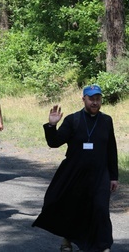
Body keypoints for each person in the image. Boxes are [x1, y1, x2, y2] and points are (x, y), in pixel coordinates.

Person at [32, 84, 118, 252]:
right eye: (91, 99)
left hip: (100, 175)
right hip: (75, 174)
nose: (95, 102)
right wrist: (51, 126)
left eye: (98, 99)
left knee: (100, 209)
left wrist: (113, 176)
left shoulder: (106, 120)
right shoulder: (73, 120)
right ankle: (67, 240)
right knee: (73, 207)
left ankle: (103, 245)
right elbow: (54, 142)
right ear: (83, 99)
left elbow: (111, 149)